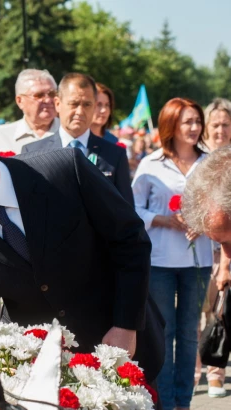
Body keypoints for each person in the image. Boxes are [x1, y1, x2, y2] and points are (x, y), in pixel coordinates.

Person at [0, 104, 164, 386]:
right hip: (39, 373)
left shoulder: (65, 171)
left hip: (121, 342)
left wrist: (125, 326)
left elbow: (130, 241)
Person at [131, 97, 212, 410]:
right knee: (163, 332)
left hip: (199, 260)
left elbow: (223, 204)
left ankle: (183, 401)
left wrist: (206, 223)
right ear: (170, 125)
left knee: (190, 332)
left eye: (197, 121)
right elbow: (133, 209)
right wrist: (163, 219)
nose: (194, 128)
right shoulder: (150, 164)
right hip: (161, 261)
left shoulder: (210, 162)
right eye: (187, 122)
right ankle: (162, 400)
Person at [22, 73, 133, 206]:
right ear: (57, 104)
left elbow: (126, 210)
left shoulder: (115, 155)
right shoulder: (32, 152)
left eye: (87, 104)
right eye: (73, 104)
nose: (80, 111)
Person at [194, 97, 231, 398]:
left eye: (226, 125)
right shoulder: (198, 161)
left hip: (228, 250)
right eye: (215, 125)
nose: (220, 130)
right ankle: (211, 370)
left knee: (225, 310)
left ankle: (218, 370)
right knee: (207, 310)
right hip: (204, 252)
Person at [0, 69, 59, 154]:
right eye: (39, 95)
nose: (48, 100)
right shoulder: (1, 136)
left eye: (52, 94)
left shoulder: (71, 132)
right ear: (20, 101)